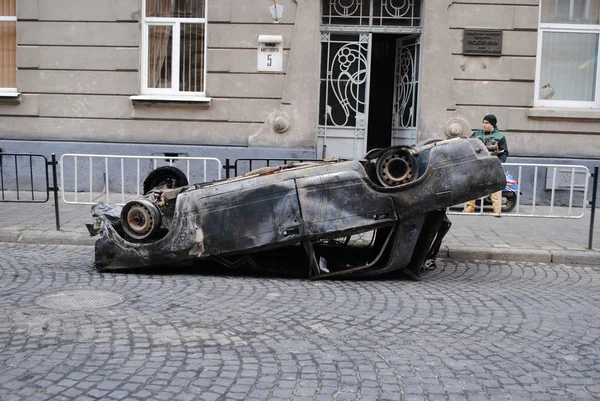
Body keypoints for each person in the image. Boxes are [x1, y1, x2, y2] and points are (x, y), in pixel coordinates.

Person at [465, 114, 508, 216]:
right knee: (473, 186)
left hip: (492, 166)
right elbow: (468, 145)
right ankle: (469, 209)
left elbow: (504, 152)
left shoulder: (500, 136)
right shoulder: (477, 133)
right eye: (483, 122)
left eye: (486, 123)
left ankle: (497, 211)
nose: (484, 125)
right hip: (478, 165)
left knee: (495, 188)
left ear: (492, 124)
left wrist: (499, 163)